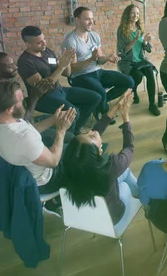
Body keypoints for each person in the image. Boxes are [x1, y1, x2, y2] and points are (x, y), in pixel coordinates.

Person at [0, 79, 77, 215]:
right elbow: (53, 161)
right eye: (21, 102)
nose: (25, 104)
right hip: (46, 180)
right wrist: (61, 130)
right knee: (80, 150)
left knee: (71, 139)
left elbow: (28, 128)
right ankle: (59, 201)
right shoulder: (22, 137)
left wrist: (53, 119)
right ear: (10, 109)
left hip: (21, 160)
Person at [62, 91, 140, 233]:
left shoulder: (71, 162)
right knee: (125, 179)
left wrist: (113, 109)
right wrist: (125, 116)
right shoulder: (111, 166)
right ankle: (143, 196)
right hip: (114, 219)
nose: (92, 131)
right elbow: (129, 148)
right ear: (98, 152)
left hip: (84, 217)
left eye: (86, 133)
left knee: (121, 176)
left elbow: (92, 138)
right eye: (91, 136)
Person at [17, 26, 100, 133]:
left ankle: (75, 129)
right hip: (43, 98)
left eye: (44, 40)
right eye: (39, 43)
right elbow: (44, 87)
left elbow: (67, 73)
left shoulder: (47, 51)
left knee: (95, 97)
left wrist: (67, 62)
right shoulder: (25, 62)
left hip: (59, 90)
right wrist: (61, 66)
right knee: (74, 113)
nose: (44, 44)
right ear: (28, 44)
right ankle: (68, 134)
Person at [63, 6, 135, 122]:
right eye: (87, 19)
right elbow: (73, 69)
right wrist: (91, 59)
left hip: (97, 71)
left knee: (129, 82)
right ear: (77, 20)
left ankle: (100, 104)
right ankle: (104, 111)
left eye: (92, 19)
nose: (91, 22)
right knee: (101, 92)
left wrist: (107, 58)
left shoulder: (94, 36)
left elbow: (99, 59)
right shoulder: (71, 40)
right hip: (80, 76)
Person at [116, 4, 160, 116]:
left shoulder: (140, 28)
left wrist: (145, 42)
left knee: (150, 73)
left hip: (140, 60)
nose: (135, 15)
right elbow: (122, 51)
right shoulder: (122, 30)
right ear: (127, 15)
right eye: (133, 13)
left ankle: (152, 104)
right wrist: (135, 40)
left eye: (137, 13)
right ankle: (133, 92)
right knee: (138, 76)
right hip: (127, 61)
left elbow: (148, 49)